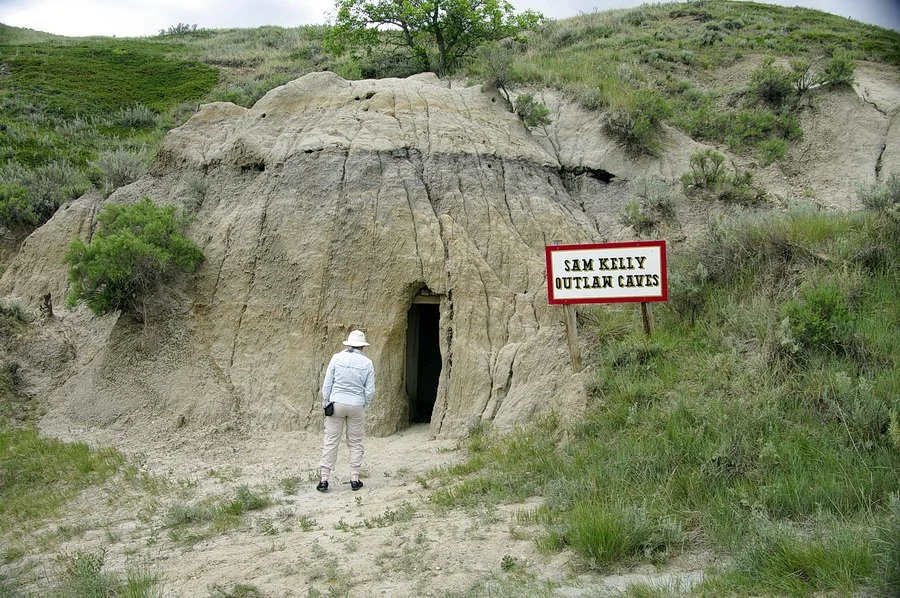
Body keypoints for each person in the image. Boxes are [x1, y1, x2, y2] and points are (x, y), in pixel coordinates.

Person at [317, 329, 375, 492]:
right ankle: (355, 478)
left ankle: (324, 479)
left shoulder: (337, 358)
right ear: (362, 347)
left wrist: (326, 401)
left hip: (337, 402)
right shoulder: (367, 363)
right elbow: (370, 390)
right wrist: (365, 404)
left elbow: (328, 383)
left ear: (349, 345)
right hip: (357, 404)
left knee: (331, 440)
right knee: (355, 442)